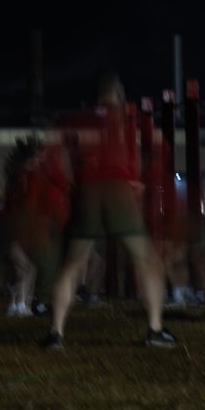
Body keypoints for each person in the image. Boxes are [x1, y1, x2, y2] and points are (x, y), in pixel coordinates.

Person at [43, 71, 175, 349]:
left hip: (86, 191)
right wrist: (143, 181)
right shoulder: (132, 116)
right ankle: (154, 329)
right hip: (119, 189)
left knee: (72, 264)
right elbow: (162, 149)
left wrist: (68, 185)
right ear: (119, 92)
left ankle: (56, 333)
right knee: (147, 261)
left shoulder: (73, 120)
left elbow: (50, 159)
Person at [4, 138, 69, 317]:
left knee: (26, 270)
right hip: (28, 231)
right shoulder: (28, 177)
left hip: (21, 232)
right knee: (29, 270)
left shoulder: (18, 178)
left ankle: (21, 304)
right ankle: (22, 304)